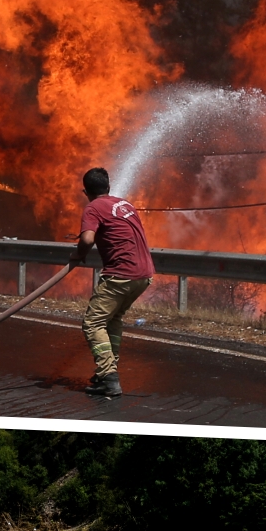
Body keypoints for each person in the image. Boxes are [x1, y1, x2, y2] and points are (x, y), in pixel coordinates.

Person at [69, 167, 153, 398]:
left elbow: (87, 238)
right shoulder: (125, 205)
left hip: (121, 275)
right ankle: (107, 371)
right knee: (113, 318)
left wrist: (80, 253)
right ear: (109, 187)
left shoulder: (93, 207)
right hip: (144, 274)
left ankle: (108, 378)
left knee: (93, 323)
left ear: (85, 191)